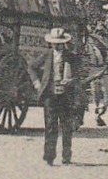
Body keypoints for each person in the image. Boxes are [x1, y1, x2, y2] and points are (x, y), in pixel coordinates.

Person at [30, 27, 78, 165]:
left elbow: (79, 74)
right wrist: (37, 83)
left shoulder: (71, 57)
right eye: (55, 43)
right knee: (50, 125)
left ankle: (66, 155)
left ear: (64, 43)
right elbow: (31, 67)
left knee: (66, 126)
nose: (57, 45)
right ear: (51, 43)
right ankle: (49, 156)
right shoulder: (46, 55)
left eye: (60, 43)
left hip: (66, 95)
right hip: (50, 95)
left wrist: (71, 81)